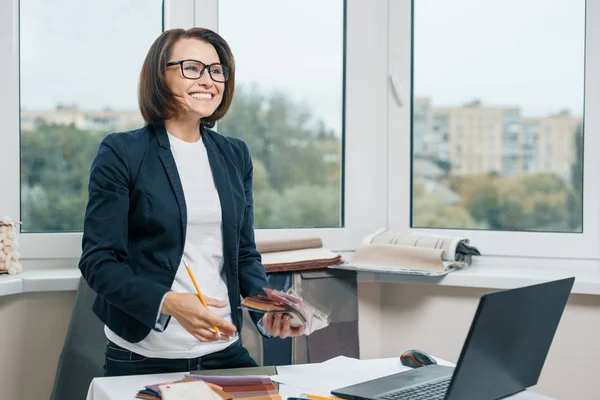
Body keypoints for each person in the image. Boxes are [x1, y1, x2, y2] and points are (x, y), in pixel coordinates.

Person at [78, 27, 305, 377]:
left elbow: (243, 254)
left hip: (224, 349)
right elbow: (99, 260)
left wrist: (269, 307)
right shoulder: (122, 152)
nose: (208, 80)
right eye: (192, 68)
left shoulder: (234, 154)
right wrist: (166, 302)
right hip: (142, 356)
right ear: (160, 75)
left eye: (217, 71)